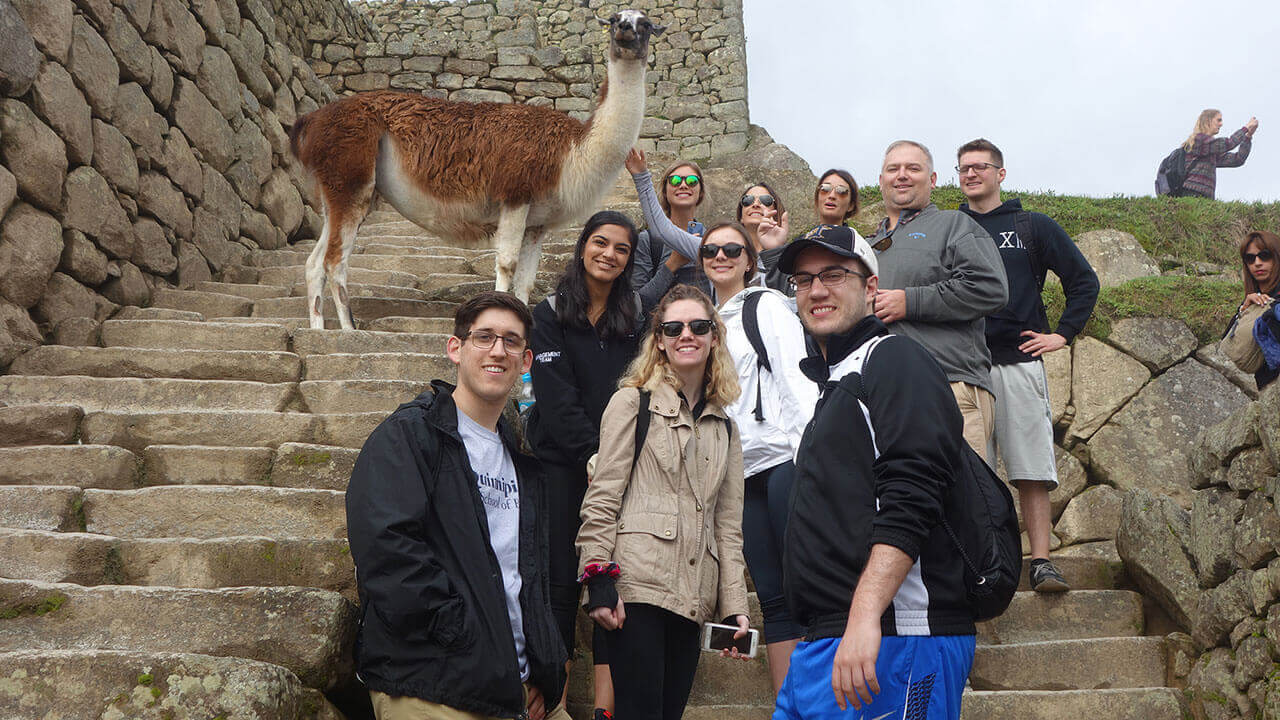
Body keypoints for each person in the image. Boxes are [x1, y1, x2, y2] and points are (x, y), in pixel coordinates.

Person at [772, 227, 976, 720]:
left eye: (834, 274)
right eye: (803, 279)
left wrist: (865, 615)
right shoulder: (837, 382)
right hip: (825, 641)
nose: (816, 289)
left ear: (870, 288)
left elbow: (914, 489)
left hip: (895, 635)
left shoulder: (894, 358)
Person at [346, 291, 569, 720]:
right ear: (455, 348)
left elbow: (530, 575)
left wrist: (543, 667)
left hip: (518, 688)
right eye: (483, 337)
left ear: (526, 362)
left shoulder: (524, 459)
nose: (497, 350)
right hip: (435, 683)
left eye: (511, 341)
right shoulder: (411, 435)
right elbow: (388, 552)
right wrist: (466, 642)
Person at [576, 284, 752, 720]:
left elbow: (726, 527)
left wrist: (734, 607)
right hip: (636, 587)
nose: (685, 335)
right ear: (659, 341)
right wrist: (598, 577)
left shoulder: (726, 429)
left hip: (693, 597)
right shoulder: (631, 403)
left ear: (715, 336)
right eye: (673, 328)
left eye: (698, 326)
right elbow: (602, 496)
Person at [956, 138, 1100, 593]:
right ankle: (978, 562)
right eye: (964, 168)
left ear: (1001, 174)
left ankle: (1041, 561)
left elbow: (1083, 281)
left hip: (1019, 361)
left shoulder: (1031, 225)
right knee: (968, 471)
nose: (971, 174)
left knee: (1031, 468)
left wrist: (1062, 334)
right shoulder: (949, 227)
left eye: (981, 166)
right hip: (964, 365)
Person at [527, 211, 649, 719]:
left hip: (617, 463)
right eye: (601, 243)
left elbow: (640, 385)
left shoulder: (636, 317)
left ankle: (605, 708)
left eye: (621, 249)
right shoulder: (550, 312)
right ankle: (553, 698)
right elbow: (554, 398)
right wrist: (591, 454)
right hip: (561, 461)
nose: (609, 255)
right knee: (558, 580)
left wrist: (614, 457)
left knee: (612, 579)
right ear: (582, 247)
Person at [698, 221, 818, 692]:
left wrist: (809, 455)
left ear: (750, 260)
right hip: (738, 474)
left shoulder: (765, 305)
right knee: (771, 596)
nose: (721, 256)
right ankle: (791, 706)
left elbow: (795, 377)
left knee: (808, 588)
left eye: (733, 249)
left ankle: (825, 702)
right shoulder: (702, 321)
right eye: (711, 249)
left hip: (785, 461)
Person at [869, 139, 1009, 460]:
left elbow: (990, 287)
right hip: (880, 398)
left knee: (963, 505)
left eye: (913, 168)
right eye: (893, 169)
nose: (902, 175)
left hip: (950, 388)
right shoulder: (866, 246)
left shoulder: (955, 225)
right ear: (881, 181)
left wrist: (910, 302)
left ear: (932, 180)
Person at [758, 170, 860, 296]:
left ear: (851, 205)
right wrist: (773, 249)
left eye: (842, 191)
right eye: (824, 189)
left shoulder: (858, 245)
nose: (832, 195)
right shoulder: (800, 244)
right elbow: (785, 295)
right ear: (817, 197)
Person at [626, 150, 711, 300]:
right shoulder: (649, 241)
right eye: (675, 181)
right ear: (665, 191)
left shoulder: (712, 239)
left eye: (691, 181)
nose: (683, 185)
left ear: (701, 191)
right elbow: (638, 303)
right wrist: (672, 264)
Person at [1233, 230, 1280, 389]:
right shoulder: (1253, 300)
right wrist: (1245, 308)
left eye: (1264, 255)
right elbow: (1229, 342)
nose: (1257, 263)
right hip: (1266, 389)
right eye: (1250, 258)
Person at [1176, 109, 1258, 199]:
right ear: (1208, 121)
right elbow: (1229, 143)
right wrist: (1246, 128)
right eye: (1218, 120)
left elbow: (1238, 160)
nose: (1221, 124)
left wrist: (1248, 137)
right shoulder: (1199, 140)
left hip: (1205, 196)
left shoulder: (1209, 150)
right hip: (1193, 193)